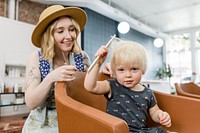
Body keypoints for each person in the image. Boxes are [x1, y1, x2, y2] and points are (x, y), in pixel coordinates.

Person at [22, 5, 91, 133]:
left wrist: (103, 70)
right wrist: (51, 78)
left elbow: (90, 89)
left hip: (74, 119)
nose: (69, 36)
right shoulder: (37, 58)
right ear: (49, 35)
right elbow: (31, 103)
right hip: (42, 126)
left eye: (71, 29)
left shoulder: (82, 57)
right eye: (60, 31)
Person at [84, 40, 174, 133]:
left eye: (134, 69)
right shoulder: (112, 86)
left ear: (143, 69)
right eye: (121, 70)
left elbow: (154, 112)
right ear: (114, 71)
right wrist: (98, 64)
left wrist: (161, 115)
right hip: (118, 131)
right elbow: (91, 87)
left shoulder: (148, 92)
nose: (128, 75)